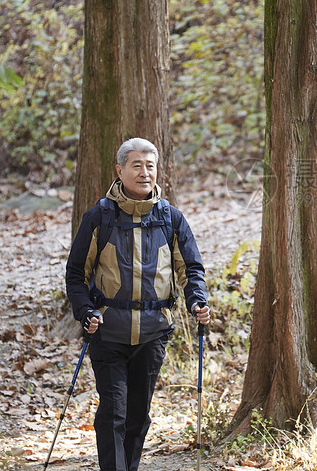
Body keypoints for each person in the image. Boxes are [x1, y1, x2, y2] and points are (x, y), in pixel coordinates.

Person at [66, 137, 210, 471]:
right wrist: (85, 311)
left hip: (152, 332)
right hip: (107, 331)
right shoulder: (99, 217)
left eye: (150, 165)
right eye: (137, 165)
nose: (145, 172)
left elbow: (190, 269)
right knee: (113, 411)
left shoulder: (170, 218)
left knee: (138, 414)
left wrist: (197, 301)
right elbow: (76, 274)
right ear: (120, 170)